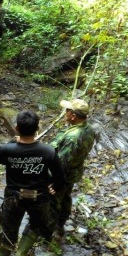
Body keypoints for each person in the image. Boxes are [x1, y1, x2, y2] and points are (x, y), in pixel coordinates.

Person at [0, 110, 65, 256]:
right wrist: (55, 187)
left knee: (9, 230)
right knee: (35, 225)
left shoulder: (7, 150)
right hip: (39, 198)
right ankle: (21, 254)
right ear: (37, 129)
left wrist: (13, 144)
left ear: (17, 128)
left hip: (14, 198)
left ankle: (2, 253)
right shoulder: (48, 151)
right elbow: (60, 178)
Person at [50, 99, 96, 240]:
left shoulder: (73, 138)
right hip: (73, 172)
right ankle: (59, 227)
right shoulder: (88, 129)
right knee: (65, 198)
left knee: (54, 201)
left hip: (63, 174)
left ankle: (51, 231)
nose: (65, 112)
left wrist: (54, 182)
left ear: (73, 116)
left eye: (67, 111)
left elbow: (61, 163)